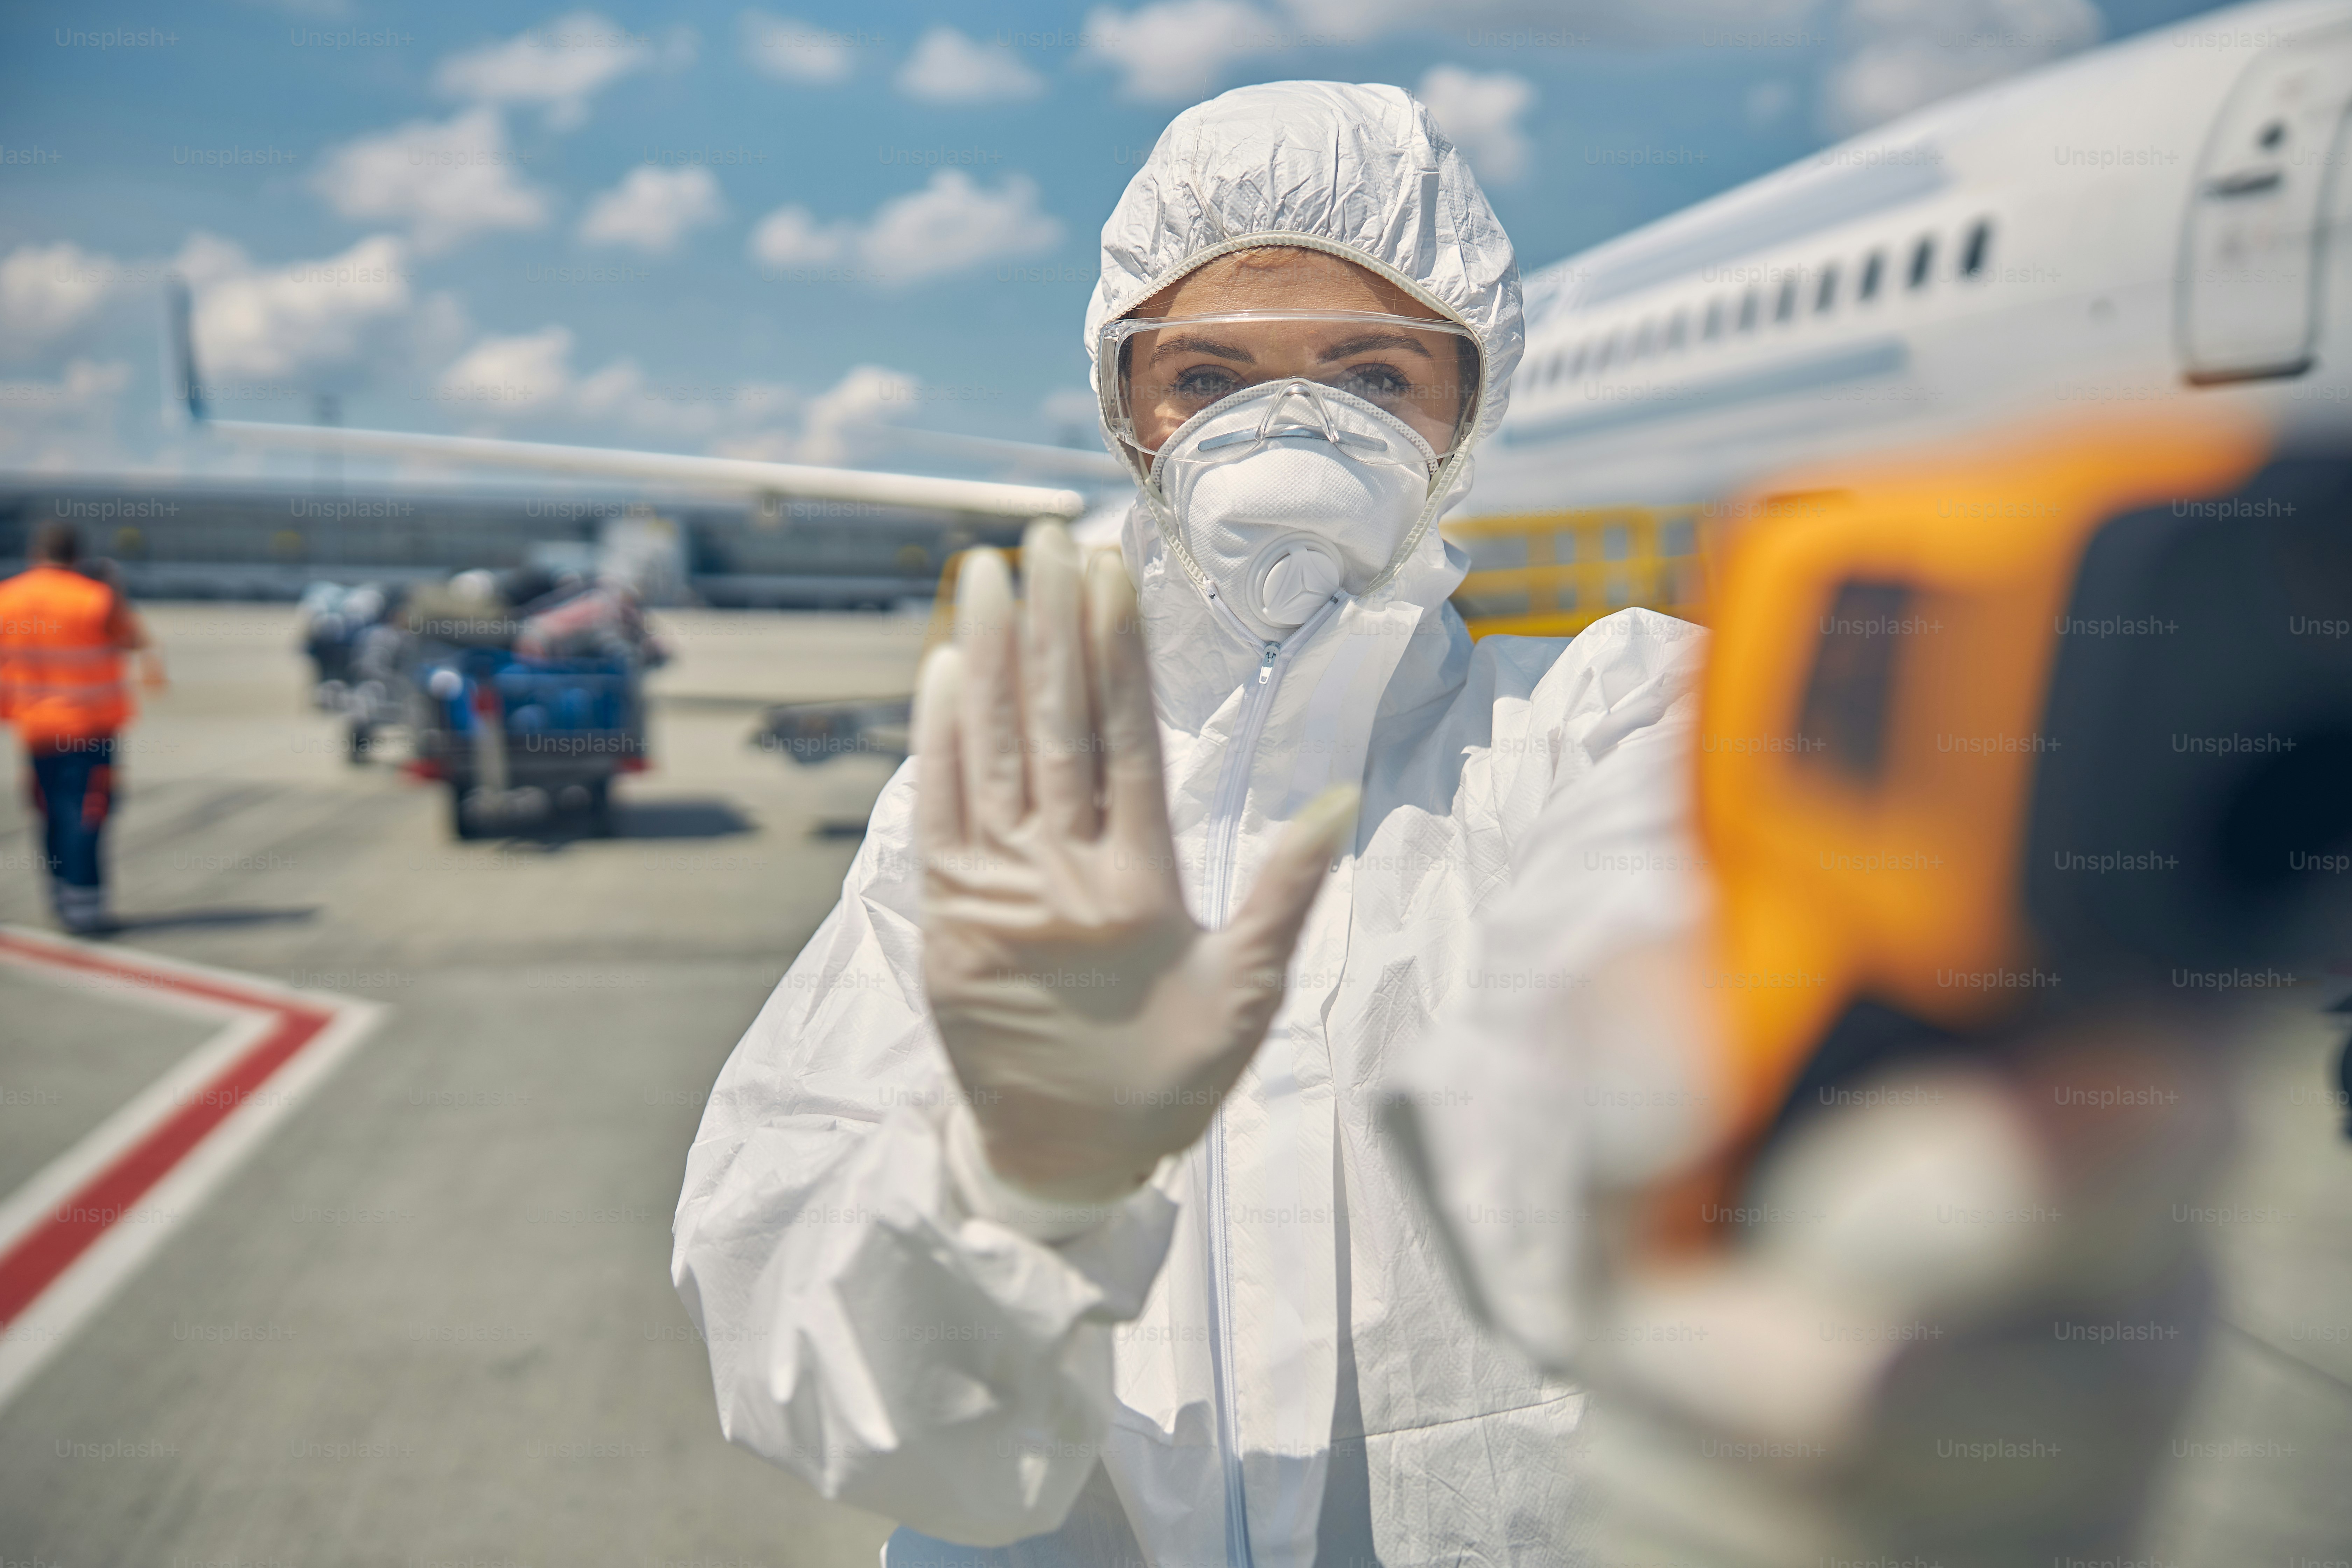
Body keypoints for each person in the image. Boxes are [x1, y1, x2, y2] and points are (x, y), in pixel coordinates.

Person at [671, 82, 1701, 1564]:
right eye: (1207, 377)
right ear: (1124, 411)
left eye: (1367, 372)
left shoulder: (1604, 723)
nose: (1288, 425)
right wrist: (1008, 1184)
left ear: (1466, 405)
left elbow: (1696, 1041)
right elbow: (824, 1380)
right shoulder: (1002, 808)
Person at [0, 522, 151, 934]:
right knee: (87, 815)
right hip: (88, 728)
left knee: (49, 813)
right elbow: (135, 640)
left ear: (36, 553)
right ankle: (84, 906)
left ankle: (59, 896)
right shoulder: (95, 598)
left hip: (35, 728)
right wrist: (113, 589)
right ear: (77, 556)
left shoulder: (7, 598)